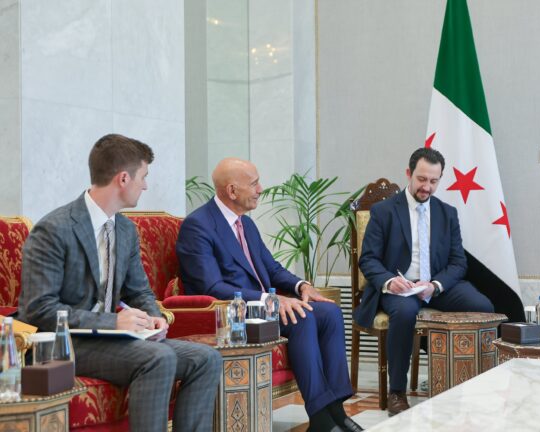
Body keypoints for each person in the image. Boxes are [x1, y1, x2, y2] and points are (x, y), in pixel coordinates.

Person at [18, 134, 222, 432]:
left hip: (110, 339)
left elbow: (139, 290)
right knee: (158, 358)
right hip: (61, 343)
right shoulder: (53, 229)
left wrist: (153, 317)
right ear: (123, 178)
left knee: (206, 358)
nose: (146, 185)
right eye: (143, 176)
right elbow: (39, 310)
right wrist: (113, 322)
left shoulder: (125, 229)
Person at [175, 158, 361, 432]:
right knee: (301, 317)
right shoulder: (199, 225)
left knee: (329, 312)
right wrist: (270, 300)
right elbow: (211, 287)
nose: (260, 189)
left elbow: (272, 269)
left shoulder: (247, 225)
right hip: (232, 315)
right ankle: (321, 417)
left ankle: (336, 410)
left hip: (265, 309)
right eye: (254, 183)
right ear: (232, 190)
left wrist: (301, 286)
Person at [354, 147, 494, 415]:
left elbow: (458, 262)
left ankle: (475, 382)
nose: (427, 187)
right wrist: (389, 282)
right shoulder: (384, 211)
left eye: (433, 181)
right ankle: (397, 391)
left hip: (436, 286)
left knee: (483, 307)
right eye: (421, 179)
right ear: (409, 173)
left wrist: (435, 285)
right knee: (405, 313)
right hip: (399, 287)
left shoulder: (447, 213)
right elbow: (368, 259)